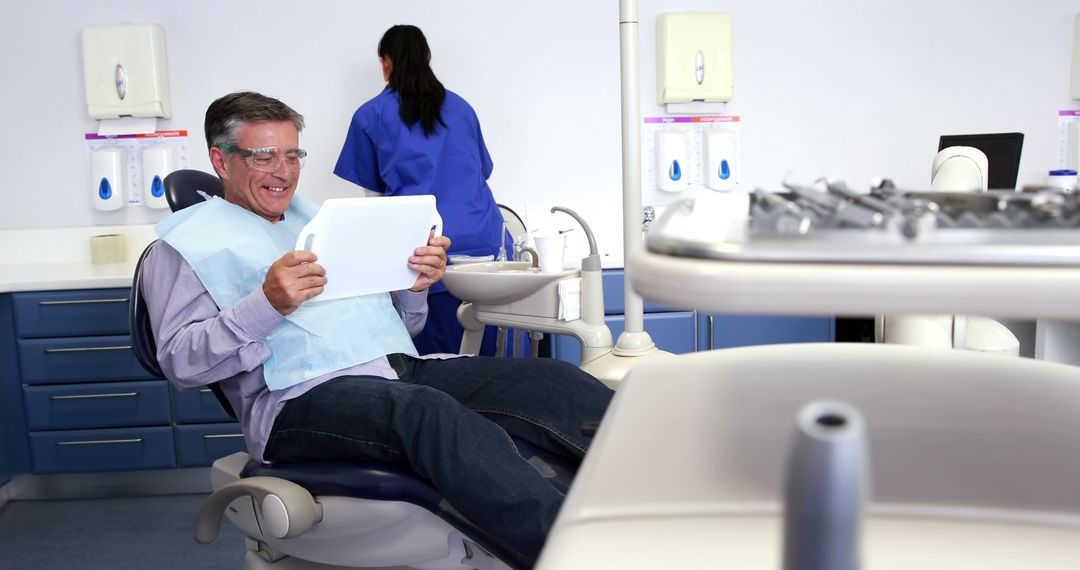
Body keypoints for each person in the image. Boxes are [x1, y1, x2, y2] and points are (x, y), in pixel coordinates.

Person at [139, 91, 612, 566]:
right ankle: (583, 558)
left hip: (398, 369)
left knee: (551, 380)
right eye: (264, 157)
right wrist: (266, 303)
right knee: (428, 414)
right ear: (221, 160)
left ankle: (651, 504)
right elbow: (180, 363)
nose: (283, 172)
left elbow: (401, 325)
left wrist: (415, 285)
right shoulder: (183, 248)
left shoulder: (321, 223)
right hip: (296, 400)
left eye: (291, 155)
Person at [334, 24, 506, 356]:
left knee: (439, 371)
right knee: (492, 367)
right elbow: (481, 172)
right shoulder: (461, 108)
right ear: (427, 59)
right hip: (487, 248)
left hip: (426, 254)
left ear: (385, 63)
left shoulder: (371, 115)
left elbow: (376, 206)